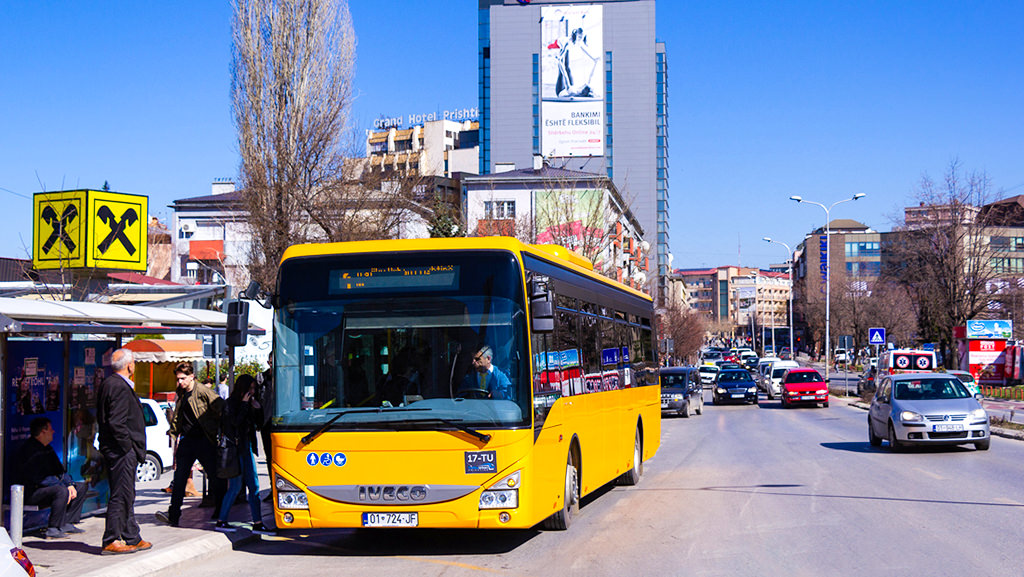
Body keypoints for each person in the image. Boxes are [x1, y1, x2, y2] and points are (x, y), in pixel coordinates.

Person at [96, 348, 151, 555]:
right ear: (130, 365)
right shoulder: (118, 386)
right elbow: (116, 422)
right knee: (120, 494)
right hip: (120, 451)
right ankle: (111, 539)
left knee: (127, 493)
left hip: (119, 449)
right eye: (134, 362)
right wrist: (128, 447)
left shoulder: (111, 384)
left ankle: (132, 536)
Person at [156, 362, 225, 527]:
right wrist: (173, 433)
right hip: (187, 440)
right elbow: (179, 416)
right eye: (178, 379)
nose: (180, 382)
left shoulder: (202, 391)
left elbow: (221, 408)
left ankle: (222, 511)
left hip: (204, 440)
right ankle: (174, 515)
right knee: (180, 478)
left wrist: (216, 430)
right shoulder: (181, 392)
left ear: (192, 376)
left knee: (214, 476)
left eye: (183, 378)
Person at [214, 374, 271, 534]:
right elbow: (234, 424)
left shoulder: (249, 403)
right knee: (238, 487)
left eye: (254, 389)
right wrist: (245, 405)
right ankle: (223, 520)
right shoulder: (230, 404)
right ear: (243, 388)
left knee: (251, 486)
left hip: (246, 448)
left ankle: (256, 522)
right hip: (236, 451)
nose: (252, 392)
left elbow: (258, 425)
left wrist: (257, 409)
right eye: (250, 388)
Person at [14, 417, 89, 539]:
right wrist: (63, 486)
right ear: (43, 432)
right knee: (60, 491)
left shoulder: (47, 448)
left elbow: (60, 471)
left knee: (80, 487)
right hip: (32, 492)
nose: (53, 432)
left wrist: (69, 484)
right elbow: (38, 479)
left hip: (49, 488)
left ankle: (67, 523)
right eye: (50, 429)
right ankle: (53, 529)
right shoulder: (28, 451)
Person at [256, 352, 274, 503]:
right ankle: (272, 488)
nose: (272, 364)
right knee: (269, 458)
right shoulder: (261, 379)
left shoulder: (287, 378)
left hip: (282, 424)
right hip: (265, 424)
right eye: (270, 361)